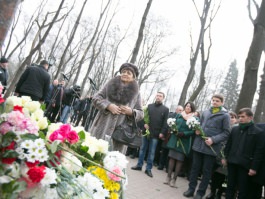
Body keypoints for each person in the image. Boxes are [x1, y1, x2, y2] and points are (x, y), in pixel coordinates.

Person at [183, 94, 230, 199]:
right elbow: (200, 123)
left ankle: (200, 193)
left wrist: (213, 139)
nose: (214, 102)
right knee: (194, 169)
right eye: (213, 100)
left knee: (206, 171)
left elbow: (226, 133)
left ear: (222, 103)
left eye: (217, 101)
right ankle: (191, 189)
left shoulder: (225, 115)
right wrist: (197, 129)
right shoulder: (205, 112)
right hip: (198, 145)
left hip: (211, 148)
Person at [89, 63, 143, 153]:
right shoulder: (109, 85)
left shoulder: (136, 93)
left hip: (119, 134)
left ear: (133, 77)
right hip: (102, 127)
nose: (125, 74)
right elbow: (96, 98)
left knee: (110, 160)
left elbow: (141, 113)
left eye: (129, 73)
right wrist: (108, 105)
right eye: (123, 72)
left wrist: (131, 112)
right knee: (93, 153)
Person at [222, 108, 264, 199]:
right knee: (230, 186)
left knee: (242, 189)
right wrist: (225, 157)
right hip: (232, 162)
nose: (240, 118)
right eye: (239, 116)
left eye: (243, 116)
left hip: (245, 166)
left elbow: (258, 152)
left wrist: (254, 168)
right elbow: (228, 145)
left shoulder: (258, 132)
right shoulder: (235, 129)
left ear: (250, 118)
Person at [131, 91, 169, 178]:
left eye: (160, 96)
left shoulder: (165, 109)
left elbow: (165, 123)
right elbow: (144, 116)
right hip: (146, 132)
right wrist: (144, 124)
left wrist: (162, 133)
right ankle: (139, 165)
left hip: (156, 134)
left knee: (151, 152)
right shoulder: (149, 106)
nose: (158, 97)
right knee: (142, 149)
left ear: (163, 98)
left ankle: (148, 169)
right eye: (157, 95)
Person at [206, 111, 238, 199]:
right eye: (229, 116)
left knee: (223, 178)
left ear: (236, 120)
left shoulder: (236, 130)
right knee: (214, 175)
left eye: (233, 117)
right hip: (216, 153)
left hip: (226, 156)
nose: (230, 119)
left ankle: (219, 194)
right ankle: (212, 192)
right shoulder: (222, 127)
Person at [165, 101, 196, 188]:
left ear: (192, 109)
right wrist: (174, 129)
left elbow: (193, 131)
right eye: (187, 106)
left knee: (179, 160)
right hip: (175, 139)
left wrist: (184, 133)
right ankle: (168, 177)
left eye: (190, 107)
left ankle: (174, 180)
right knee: (171, 158)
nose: (188, 108)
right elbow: (174, 123)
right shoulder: (179, 115)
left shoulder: (194, 118)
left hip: (184, 142)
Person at [157, 105, 184, 171]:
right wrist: (163, 134)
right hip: (167, 136)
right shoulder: (170, 115)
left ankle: (167, 168)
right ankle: (161, 165)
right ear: (176, 110)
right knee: (164, 152)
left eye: (181, 110)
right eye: (179, 110)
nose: (180, 112)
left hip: (173, 137)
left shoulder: (182, 118)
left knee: (170, 154)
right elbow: (166, 125)